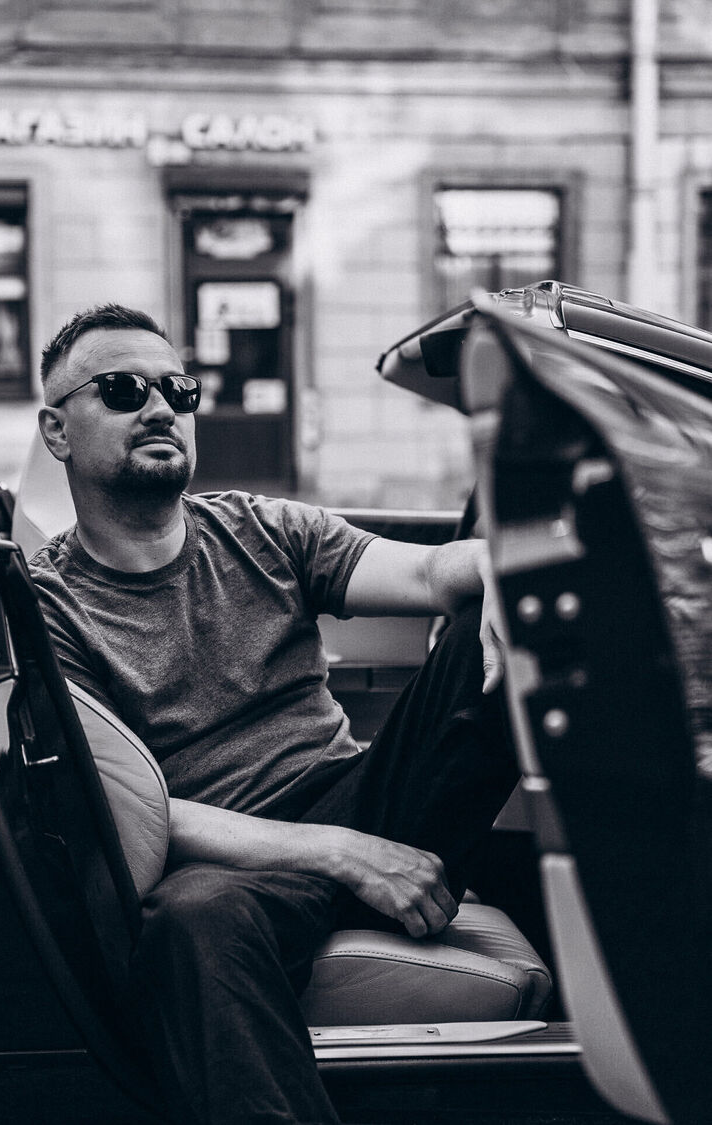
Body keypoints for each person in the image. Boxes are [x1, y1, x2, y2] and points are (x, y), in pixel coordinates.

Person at [29, 304, 519, 1125]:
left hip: (363, 797)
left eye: (178, 389)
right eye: (122, 390)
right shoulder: (50, 607)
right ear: (57, 430)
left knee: (522, 608)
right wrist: (345, 854)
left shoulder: (263, 528)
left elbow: (433, 572)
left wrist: (501, 569)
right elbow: (127, 813)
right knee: (187, 921)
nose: (160, 407)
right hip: (229, 863)